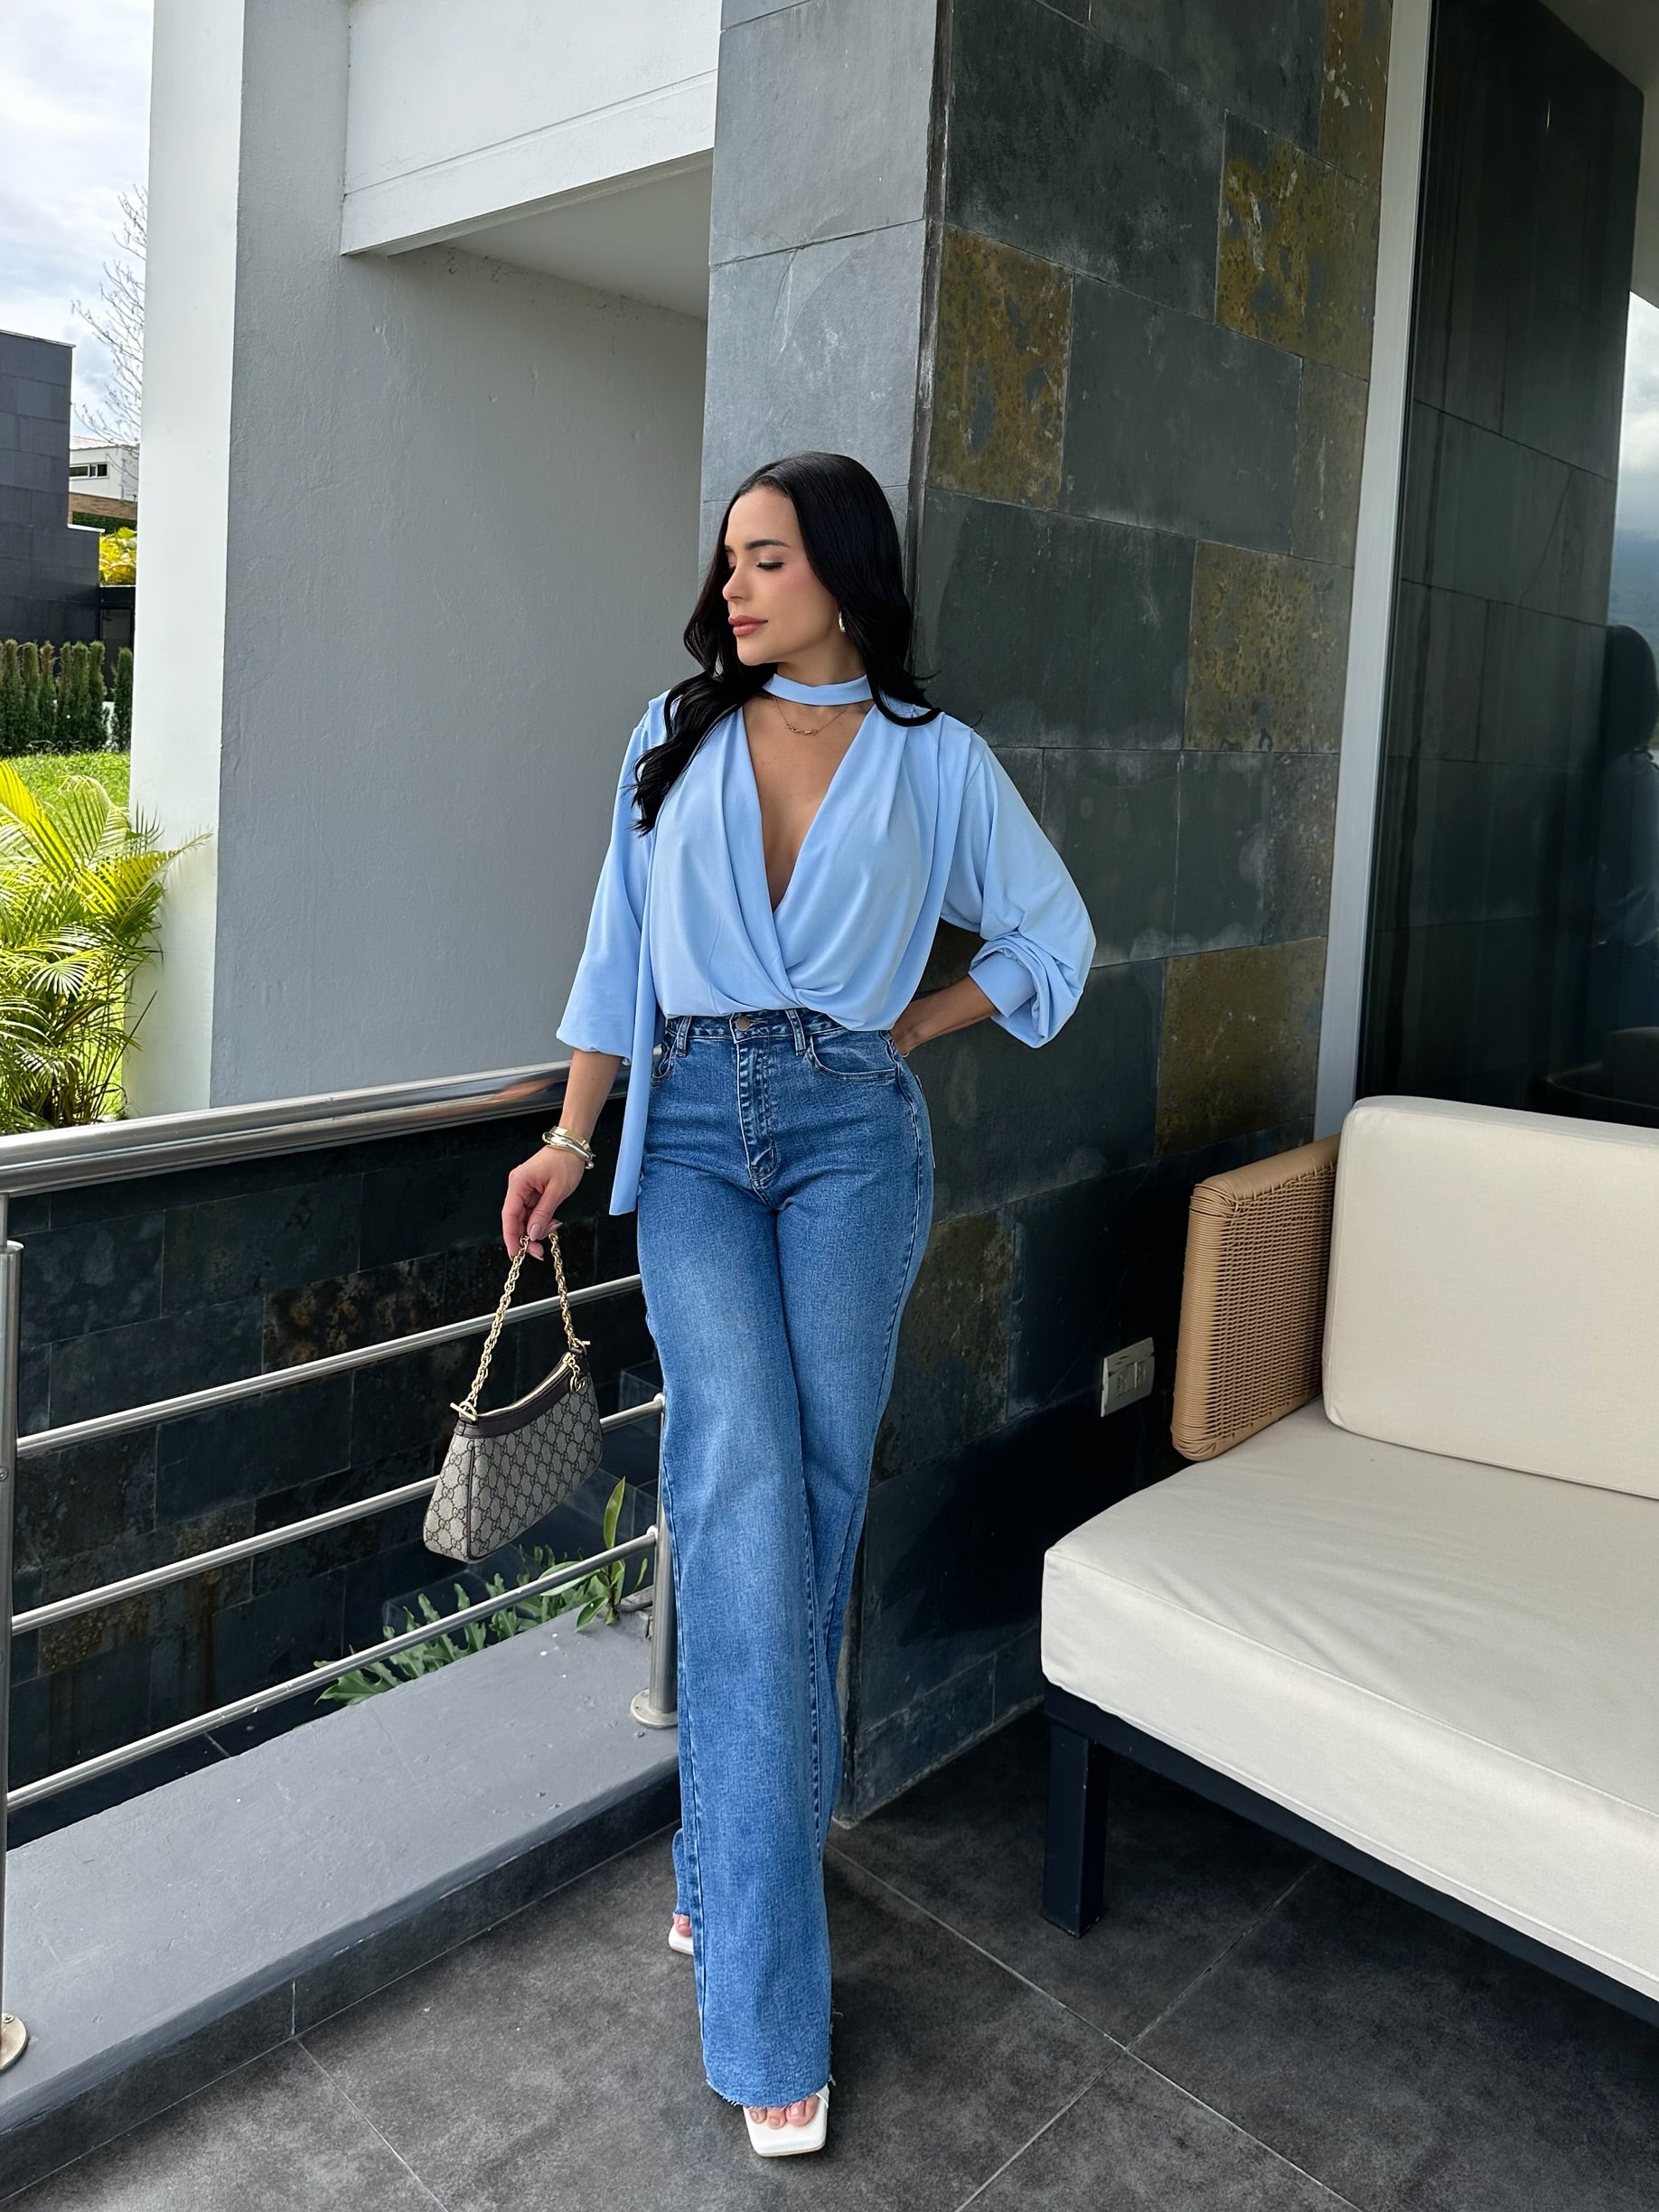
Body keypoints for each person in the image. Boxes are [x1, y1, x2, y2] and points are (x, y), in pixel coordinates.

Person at [501, 451, 1094, 2160]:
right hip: (688, 1134)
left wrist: (907, 1028)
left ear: (842, 569)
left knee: (806, 1516)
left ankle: (718, 1866)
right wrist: (569, 1139)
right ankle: (769, 2009)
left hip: (853, 1140)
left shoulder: (935, 761)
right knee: (746, 1487)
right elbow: (617, 955)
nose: (735, 587)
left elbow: (1052, 939)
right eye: (730, 561)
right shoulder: (671, 733)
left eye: (766, 557)